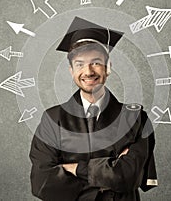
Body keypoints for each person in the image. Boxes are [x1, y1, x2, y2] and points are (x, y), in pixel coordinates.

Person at [29, 17, 157, 201]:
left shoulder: (136, 119)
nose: (88, 71)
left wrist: (75, 168)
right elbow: (42, 183)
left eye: (96, 62)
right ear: (71, 71)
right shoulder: (52, 119)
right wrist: (110, 172)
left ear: (108, 67)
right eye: (80, 64)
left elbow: (128, 177)